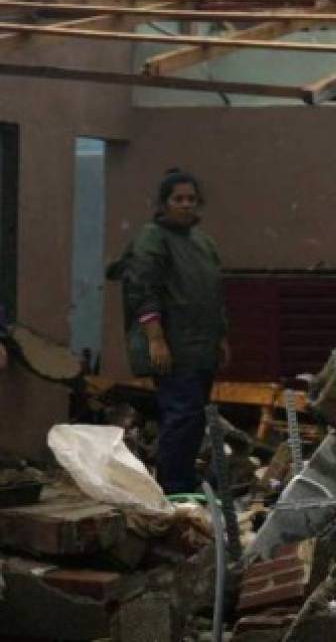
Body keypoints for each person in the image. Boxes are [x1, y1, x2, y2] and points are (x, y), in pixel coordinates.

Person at [114, 169, 229, 495]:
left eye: (191, 199)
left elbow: (214, 294)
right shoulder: (152, 238)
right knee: (180, 415)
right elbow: (142, 289)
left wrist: (221, 336)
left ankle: (184, 479)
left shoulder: (203, 243)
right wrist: (155, 338)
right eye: (178, 199)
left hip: (201, 347)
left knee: (194, 417)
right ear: (164, 203)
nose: (186, 205)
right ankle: (172, 486)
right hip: (173, 347)